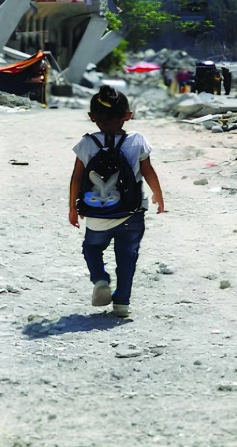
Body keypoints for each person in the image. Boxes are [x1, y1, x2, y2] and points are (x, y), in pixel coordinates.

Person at [69, 86, 165, 318]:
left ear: (92, 117)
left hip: (98, 213)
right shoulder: (138, 140)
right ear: (127, 115)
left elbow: (77, 178)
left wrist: (73, 207)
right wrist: (158, 196)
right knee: (127, 256)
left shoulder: (87, 143)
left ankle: (100, 279)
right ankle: (122, 302)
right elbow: (148, 170)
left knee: (92, 248)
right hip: (131, 212)